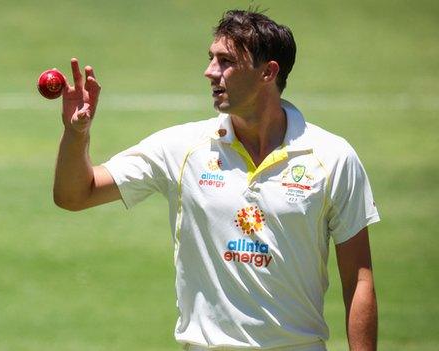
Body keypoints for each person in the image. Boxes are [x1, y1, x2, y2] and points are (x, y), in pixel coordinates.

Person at [53, 9, 379, 351]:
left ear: (268, 72)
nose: (210, 72)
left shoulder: (332, 157)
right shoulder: (181, 148)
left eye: (226, 61)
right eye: (211, 58)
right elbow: (75, 195)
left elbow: (359, 278)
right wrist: (77, 134)